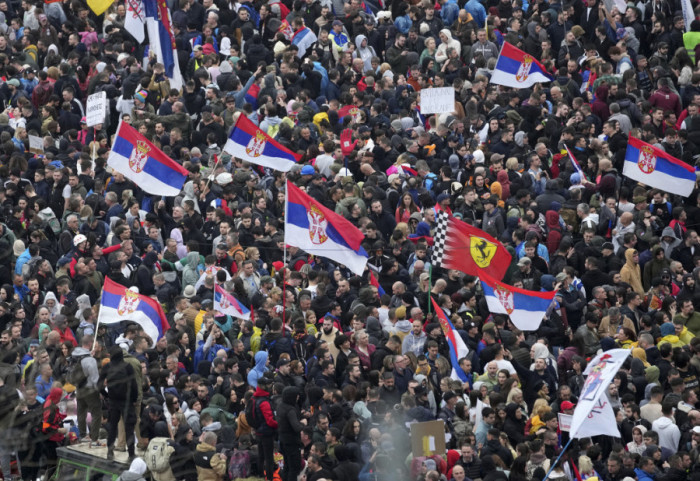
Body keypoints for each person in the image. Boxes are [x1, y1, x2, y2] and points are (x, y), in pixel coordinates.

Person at [99, 345, 139, 459]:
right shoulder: (127, 367)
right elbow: (134, 386)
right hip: (126, 402)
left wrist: (107, 395)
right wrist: (134, 399)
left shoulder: (107, 367)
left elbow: (99, 385)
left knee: (112, 427)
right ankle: (131, 454)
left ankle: (110, 452)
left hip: (113, 401)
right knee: (129, 428)